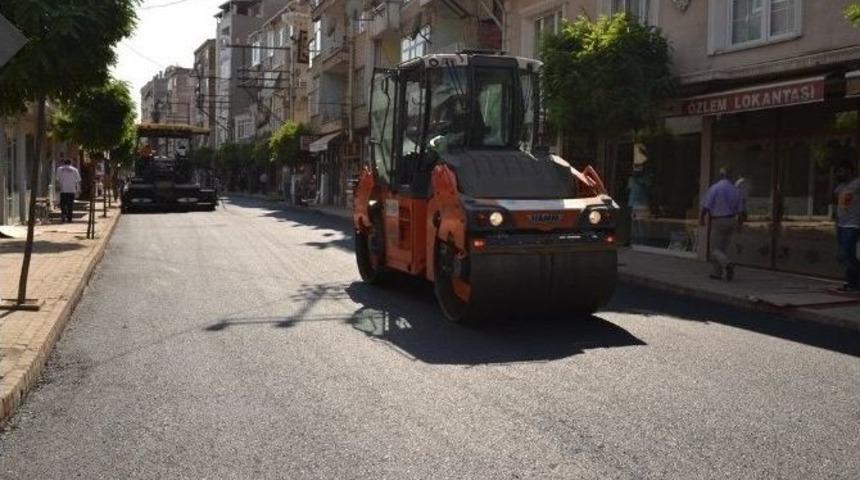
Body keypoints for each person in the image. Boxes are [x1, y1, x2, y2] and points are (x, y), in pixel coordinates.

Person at [700, 167, 743, 281]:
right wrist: (739, 224)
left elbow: (706, 205)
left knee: (714, 249)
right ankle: (717, 273)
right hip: (731, 220)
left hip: (719, 220)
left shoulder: (715, 188)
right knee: (722, 248)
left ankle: (727, 264)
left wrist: (702, 218)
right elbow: (741, 210)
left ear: (721, 175)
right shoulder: (735, 190)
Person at [834, 163, 860, 293]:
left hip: (853, 224)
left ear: (850, 171)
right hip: (841, 224)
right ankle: (850, 281)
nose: (840, 174)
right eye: (838, 172)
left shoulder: (857, 183)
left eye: (842, 171)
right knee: (844, 255)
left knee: (849, 254)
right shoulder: (841, 186)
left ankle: (854, 283)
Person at [56, 156, 81, 223]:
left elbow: (57, 179)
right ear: (71, 163)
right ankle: (69, 218)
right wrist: (78, 190)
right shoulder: (75, 170)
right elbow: (78, 180)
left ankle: (64, 214)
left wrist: (58, 187)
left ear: (64, 163)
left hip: (63, 190)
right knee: (70, 205)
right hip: (71, 190)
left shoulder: (59, 169)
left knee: (63, 204)